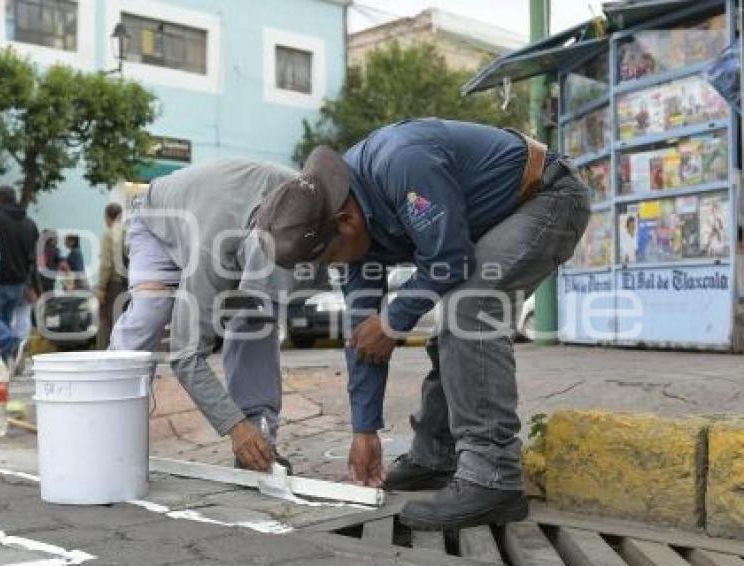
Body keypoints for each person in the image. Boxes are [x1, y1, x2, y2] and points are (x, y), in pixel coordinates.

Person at [256, 119, 590, 530]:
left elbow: (450, 259)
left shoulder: (402, 164)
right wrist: (364, 430)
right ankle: (435, 457)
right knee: (452, 326)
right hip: (499, 216)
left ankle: (494, 478)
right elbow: (364, 335)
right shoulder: (349, 217)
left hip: (548, 195)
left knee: (469, 309)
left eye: (330, 258)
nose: (335, 267)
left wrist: (394, 321)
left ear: (345, 222)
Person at [110, 159, 322, 472]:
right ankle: (108, 428)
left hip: (225, 214)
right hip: (158, 223)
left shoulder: (311, 205)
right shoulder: (211, 247)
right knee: (151, 313)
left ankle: (260, 438)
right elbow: (185, 355)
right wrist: (233, 426)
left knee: (255, 320)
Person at [0, 186, 39, 368]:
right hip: (20, 282)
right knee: (4, 320)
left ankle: (12, 342)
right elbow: (33, 258)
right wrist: (33, 286)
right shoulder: (29, 224)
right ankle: (5, 363)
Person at [96, 203, 128, 349]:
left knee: (107, 323)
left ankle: (104, 355)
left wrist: (101, 287)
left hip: (113, 284)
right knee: (123, 322)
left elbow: (106, 264)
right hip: (127, 284)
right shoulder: (127, 232)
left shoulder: (109, 234)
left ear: (107, 217)